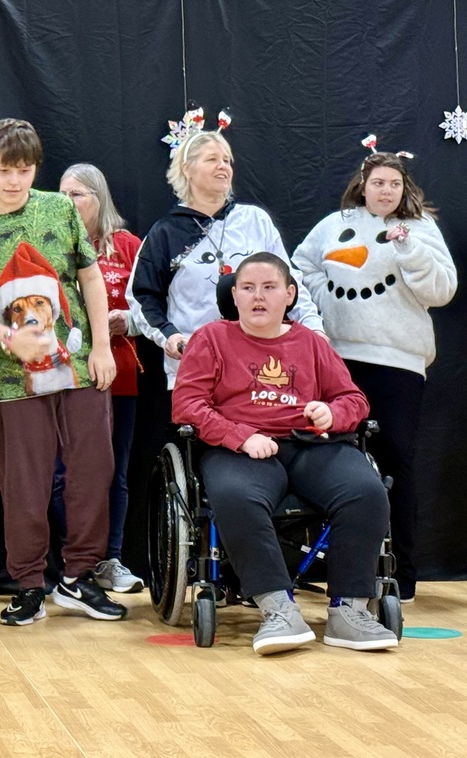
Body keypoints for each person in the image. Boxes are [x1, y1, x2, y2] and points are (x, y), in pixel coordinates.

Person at [0, 118, 126, 626]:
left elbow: (88, 276)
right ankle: (28, 584)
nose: (15, 180)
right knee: (24, 482)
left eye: (24, 170)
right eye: (4, 170)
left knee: (92, 471)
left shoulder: (59, 207)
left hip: (78, 366)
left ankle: (80, 577)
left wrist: (102, 347)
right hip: (8, 379)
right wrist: (6, 339)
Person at [173, 252, 398, 655]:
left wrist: (332, 412)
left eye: (269, 287)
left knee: (366, 491)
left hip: (312, 444)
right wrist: (239, 435)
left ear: (289, 295)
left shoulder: (310, 342)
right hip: (242, 449)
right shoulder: (211, 339)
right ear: (235, 297)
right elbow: (188, 404)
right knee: (236, 496)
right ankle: (278, 609)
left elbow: (354, 399)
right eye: (248, 288)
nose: (258, 296)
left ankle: (349, 611)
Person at [292, 148, 457, 603]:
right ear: (363, 184)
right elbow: (299, 267)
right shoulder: (334, 223)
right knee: (332, 460)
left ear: (405, 189)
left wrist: (407, 246)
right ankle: (332, 563)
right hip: (339, 360)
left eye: (394, 184)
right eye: (378, 182)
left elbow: (442, 290)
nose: (385, 190)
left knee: (396, 463)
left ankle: (403, 571)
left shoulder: (421, 229)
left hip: (398, 364)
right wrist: (326, 299)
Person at [126, 129, 325, 389]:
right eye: (212, 159)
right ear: (187, 168)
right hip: (198, 366)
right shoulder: (165, 233)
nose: (223, 166)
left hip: (263, 364)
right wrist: (168, 335)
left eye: (227, 160)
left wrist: (314, 329)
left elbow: (289, 282)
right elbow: (142, 296)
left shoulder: (254, 220)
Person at [57, 163, 143, 594]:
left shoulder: (127, 247)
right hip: (61, 376)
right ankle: (70, 563)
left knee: (114, 473)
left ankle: (110, 558)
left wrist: (125, 320)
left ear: (99, 198)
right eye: (63, 194)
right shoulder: (52, 244)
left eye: (78, 195)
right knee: (62, 474)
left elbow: (151, 307)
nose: (68, 203)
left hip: (117, 376)